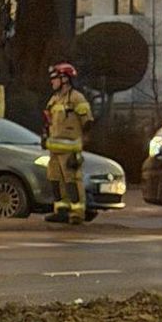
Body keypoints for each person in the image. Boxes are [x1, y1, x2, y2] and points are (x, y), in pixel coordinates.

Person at [43, 62, 94, 225]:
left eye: (55, 78)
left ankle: (77, 213)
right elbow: (48, 122)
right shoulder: (54, 99)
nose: (52, 82)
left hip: (70, 150)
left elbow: (88, 122)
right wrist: (44, 136)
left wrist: (81, 147)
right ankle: (61, 211)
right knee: (55, 180)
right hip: (54, 150)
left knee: (72, 181)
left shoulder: (76, 98)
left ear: (65, 79)